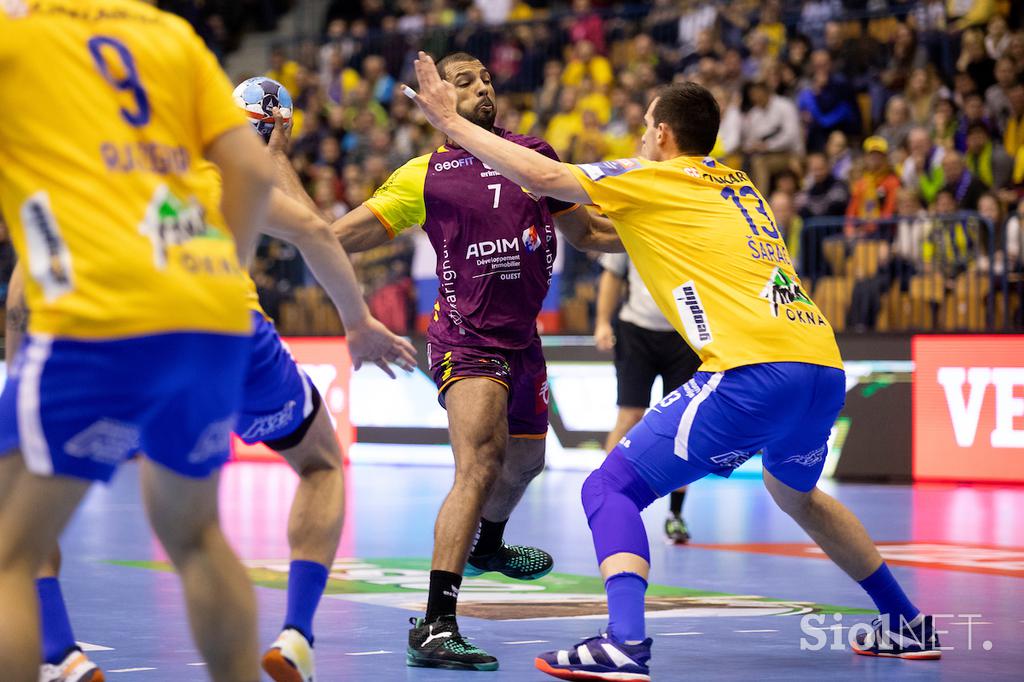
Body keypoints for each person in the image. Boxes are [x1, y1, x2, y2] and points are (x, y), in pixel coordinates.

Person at [405, 54, 942, 680]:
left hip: (752, 370)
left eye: (643, 128)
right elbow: (610, 235)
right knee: (796, 493)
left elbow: (541, 174)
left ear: (662, 134)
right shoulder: (738, 184)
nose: (637, 138)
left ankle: (624, 643)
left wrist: (449, 118)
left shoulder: (653, 177)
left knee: (607, 488)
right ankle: (905, 622)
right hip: (820, 365)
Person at [13, 95, 417, 680]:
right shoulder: (218, 175)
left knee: (24, 500)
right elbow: (313, 231)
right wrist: (355, 323)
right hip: (228, 336)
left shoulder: (80, 177)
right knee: (318, 465)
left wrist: (28, 376)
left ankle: (60, 654)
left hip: (119, 343)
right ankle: (297, 633)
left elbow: (26, 293)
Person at [273, 51, 621, 671]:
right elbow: (334, 237)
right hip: (466, 339)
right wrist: (277, 187)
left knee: (526, 463)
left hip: (524, 339)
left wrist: (678, 227)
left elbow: (590, 234)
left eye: (485, 79)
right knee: (479, 463)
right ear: (439, 103)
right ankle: (435, 625)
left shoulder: (534, 155)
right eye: (464, 82)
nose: (482, 87)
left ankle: (489, 544)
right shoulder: (424, 175)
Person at [0, 3, 271, 680]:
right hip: (208, 304)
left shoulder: (17, 33)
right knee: (196, 534)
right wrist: (213, 280)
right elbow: (254, 172)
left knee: (7, 555)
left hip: (98, 309)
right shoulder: (169, 33)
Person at [594, 254, 701, 545]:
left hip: (684, 335)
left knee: (682, 427)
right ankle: (605, 499)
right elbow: (612, 274)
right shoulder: (632, 220)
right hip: (635, 332)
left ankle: (675, 515)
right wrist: (602, 322)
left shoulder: (691, 227)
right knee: (629, 417)